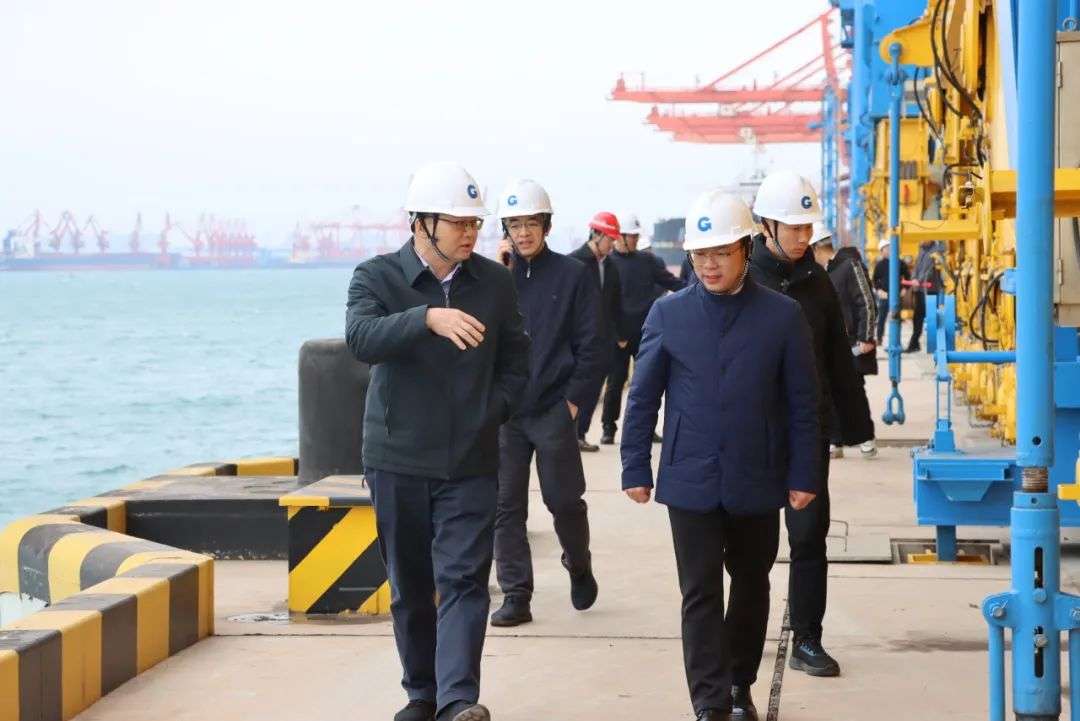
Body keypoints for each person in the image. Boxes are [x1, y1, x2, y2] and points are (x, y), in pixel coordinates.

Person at [621, 190, 821, 720]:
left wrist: (805, 473)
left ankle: (739, 685)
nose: (709, 264)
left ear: (746, 250)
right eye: (700, 254)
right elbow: (642, 397)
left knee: (752, 586)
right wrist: (634, 465)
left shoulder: (782, 316)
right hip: (690, 478)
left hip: (758, 476)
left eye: (721, 253)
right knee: (700, 592)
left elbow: (804, 404)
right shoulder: (669, 314)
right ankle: (709, 702)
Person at [345, 161, 531, 721]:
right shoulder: (376, 276)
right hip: (396, 461)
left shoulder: (495, 282)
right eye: (458, 223)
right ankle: (421, 694)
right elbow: (361, 338)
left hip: (470, 460)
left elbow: (517, 362)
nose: (470, 233)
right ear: (421, 222)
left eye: (475, 223)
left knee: (464, 579)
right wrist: (426, 318)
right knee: (410, 585)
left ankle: (457, 700)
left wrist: (491, 412)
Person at [749, 170, 871, 678]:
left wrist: (854, 424)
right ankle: (743, 641)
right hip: (752, 434)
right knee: (751, 548)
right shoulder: (740, 276)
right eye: (794, 228)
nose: (803, 237)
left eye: (807, 228)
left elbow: (837, 357)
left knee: (808, 537)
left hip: (806, 432)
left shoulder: (817, 282)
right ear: (766, 226)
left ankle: (807, 639)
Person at [489, 179, 602, 627]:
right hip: (507, 414)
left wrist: (573, 403)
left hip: (554, 407)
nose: (523, 233)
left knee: (565, 501)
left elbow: (593, 345)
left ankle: (579, 563)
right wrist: (498, 275)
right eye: (514, 225)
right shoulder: (493, 279)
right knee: (505, 507)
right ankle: (516, 594)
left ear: (546, 225)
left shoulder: (574, 275)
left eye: (531, 223)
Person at [601, 211, 685, 445]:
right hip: (618, 336)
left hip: (645, 334)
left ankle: (646, 430)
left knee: (647, 385)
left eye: (637, 236)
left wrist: (696, 290)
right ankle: (608, 428)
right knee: (615, 384)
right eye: (633, 236)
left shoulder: (646, 261)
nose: (636, 240)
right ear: (620, 236)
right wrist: (616, 334)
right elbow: (602, 303)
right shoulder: (608, 264)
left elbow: (671, 282)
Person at [809, 224, 879, 460]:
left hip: (853, 343)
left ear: (817, 248)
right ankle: (835, 440)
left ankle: (866, 438)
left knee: (853, 390)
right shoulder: (821, 274)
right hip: (831, 343)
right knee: (828, 391)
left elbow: (866, 301)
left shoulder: (849, 265)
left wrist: (866, 336)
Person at [569, 212, 626, 452]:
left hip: (602, 341)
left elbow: (616, 303)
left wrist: (621, 333)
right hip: (578, 340)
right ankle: (568, 435)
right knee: (576, 388)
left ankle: (579, 434)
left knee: (593, 390)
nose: (612, 245)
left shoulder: (611, 267)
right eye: (610, 239)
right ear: (597, 234)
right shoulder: (574, 263)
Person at [908, 240, 945, 352]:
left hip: (931, 290)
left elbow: (929, 269)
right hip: (920, 289)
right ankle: (914, 343)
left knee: (932, 317)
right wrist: (914, 278)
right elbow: (917, 267)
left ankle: (934, 345)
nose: (922, 240)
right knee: (917, 317)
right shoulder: (922, 249)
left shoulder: (937, 250)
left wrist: (918, 280)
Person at [872, 240, 911, 345]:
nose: (888, 250)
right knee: (881, 318)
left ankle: (896, 340)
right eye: (886, 248)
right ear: (882, 251)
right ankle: (879, 339)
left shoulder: (900, 263)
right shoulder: (879, 265)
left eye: (889, 247)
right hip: (884, 296)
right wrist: (879, 290)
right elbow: (875, 280)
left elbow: (908, 277)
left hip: (897, 295)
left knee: (896, 318)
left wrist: (904, 289)